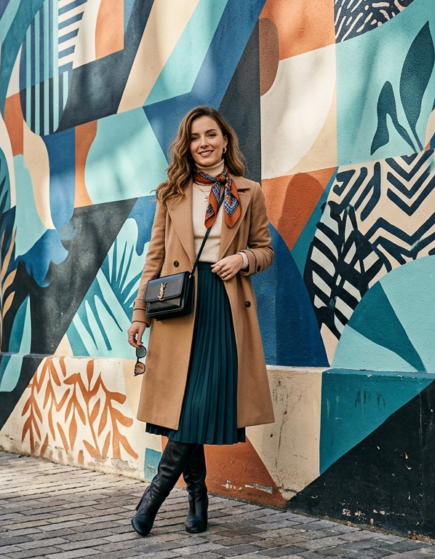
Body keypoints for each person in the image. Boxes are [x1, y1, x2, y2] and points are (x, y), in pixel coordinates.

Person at [126, 106, 275, 536]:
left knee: (194, 406)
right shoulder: (171, 192)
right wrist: (140, 314)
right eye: (194, 137)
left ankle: (153, 497)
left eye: (211, 134)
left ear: (225, 140)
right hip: (178, 307)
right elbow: (155, 256)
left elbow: (265, 249)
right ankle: (197, 497)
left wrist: (242, 259)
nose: (203, 143)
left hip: (223, 306)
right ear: (187, 146)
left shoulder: (249, 192)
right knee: (180, 410)